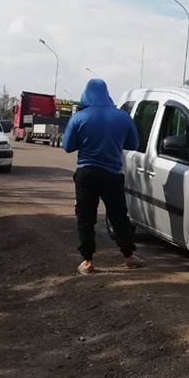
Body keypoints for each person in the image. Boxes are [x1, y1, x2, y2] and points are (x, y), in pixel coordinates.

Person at [62, 79, 144, 275]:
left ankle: (88, 261)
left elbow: (67, 146)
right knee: (118, 216)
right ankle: (129, 257)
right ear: (106, 93)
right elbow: (134, 144)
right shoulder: (123, 117)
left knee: (86, 217)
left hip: (86, 173)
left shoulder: (79, 117)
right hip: (112, 174)